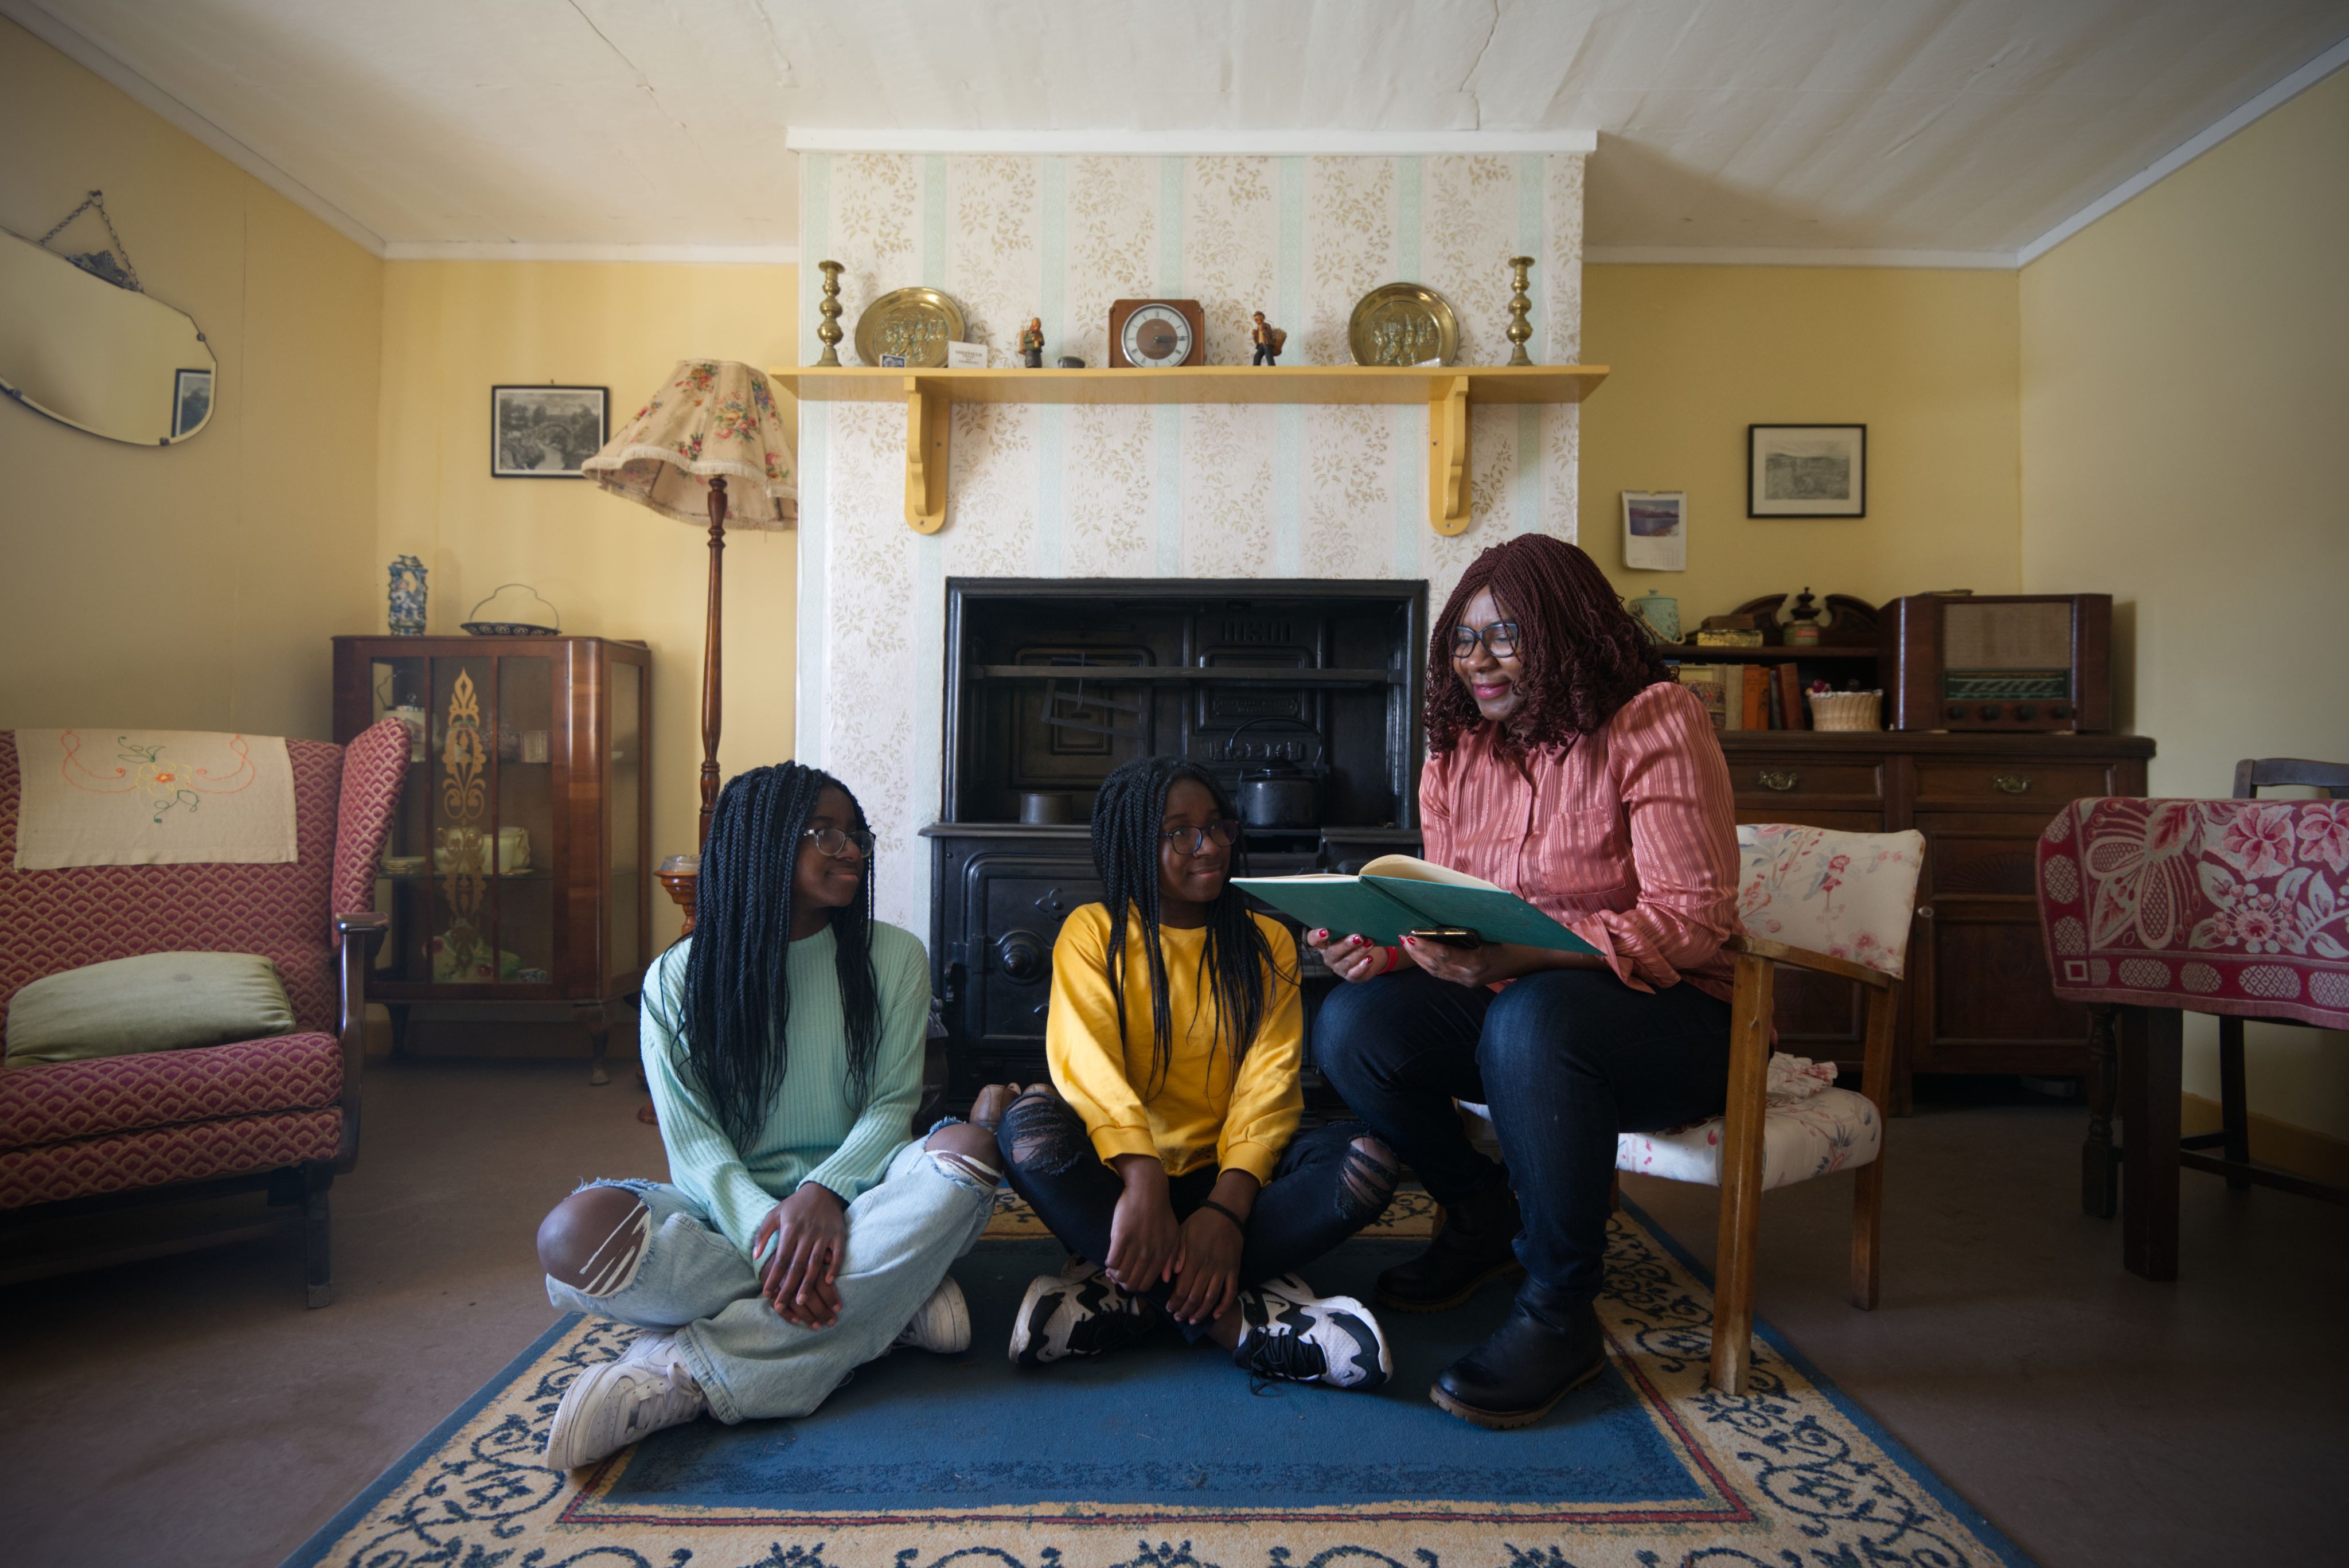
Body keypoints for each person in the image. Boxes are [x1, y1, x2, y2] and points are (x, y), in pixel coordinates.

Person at [1308, 535, 1740, 1430]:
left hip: (1679, 1022)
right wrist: (1384, 947)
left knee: (1534, 1019)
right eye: (1464, 641)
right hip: (1520, 1006)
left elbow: (1694, 919)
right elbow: (1458, 919)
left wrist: (1533, 953)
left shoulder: (1657, 719)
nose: (1479, 661)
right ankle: (1477, 1216)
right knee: (1354, 1025)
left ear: (1566, 630)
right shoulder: (1458, 751)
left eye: (1505, 635)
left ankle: (1559, 1309)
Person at [532, 762, 1017, 1469]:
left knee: (969, 1151)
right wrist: (771, 1232)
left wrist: (823, 1195)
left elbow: (890, 1110)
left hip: (863, 1201)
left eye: (855, 835)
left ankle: (685, 1375)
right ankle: (886, 1302)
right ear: (761, 843)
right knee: (571, 1235)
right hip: (727, 1217)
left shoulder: (895, 957)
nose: (849, 850)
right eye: (824, 833)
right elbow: (695, 1146)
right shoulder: (675, 979)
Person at [997, 756, 1398, 1390]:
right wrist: (1143, 1177)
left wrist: (1226, 1212)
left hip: (1234, 1181)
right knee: (1027, 1131)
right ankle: (1239, 1324)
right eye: (1180, 831)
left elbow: (1269, 1087)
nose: (1208, 846)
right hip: (1126, 1185)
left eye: (1217, 826)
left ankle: (1124, 1291)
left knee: (1365, 1161)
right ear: (1134, 842)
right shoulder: (1091, 933)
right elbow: (1088, 1071)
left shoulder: (1267, 940)